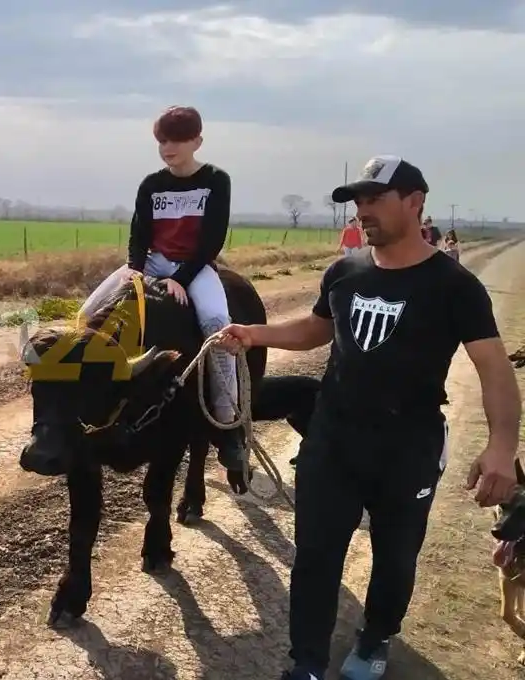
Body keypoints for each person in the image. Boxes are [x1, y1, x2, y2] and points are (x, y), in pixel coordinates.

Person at [217, 155, 521, 680]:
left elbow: (494, 369)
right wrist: (255, 333)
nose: (362, 212)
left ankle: (376, 637)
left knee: (395, 556)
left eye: (374, 199)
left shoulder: (453, 286)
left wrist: (500, 446)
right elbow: (316, 331)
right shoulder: (344, 271)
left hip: (408, 445)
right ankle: (306, 664)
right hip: (333, 437)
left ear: (415, 201)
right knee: (315, 555)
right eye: (357, 202)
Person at [79, 105, 245, 472]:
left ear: (197, 141)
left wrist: (180, 279)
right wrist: (136, 270)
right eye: (163, 140)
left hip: (194, 266)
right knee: (86, 315)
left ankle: (228, 425)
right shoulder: (152, 184)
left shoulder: (216, 180)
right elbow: (139, 233)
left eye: (178, 140)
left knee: (218, 326)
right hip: (151, 261)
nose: (168, 147)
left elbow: (212, 238)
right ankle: (89, 402)